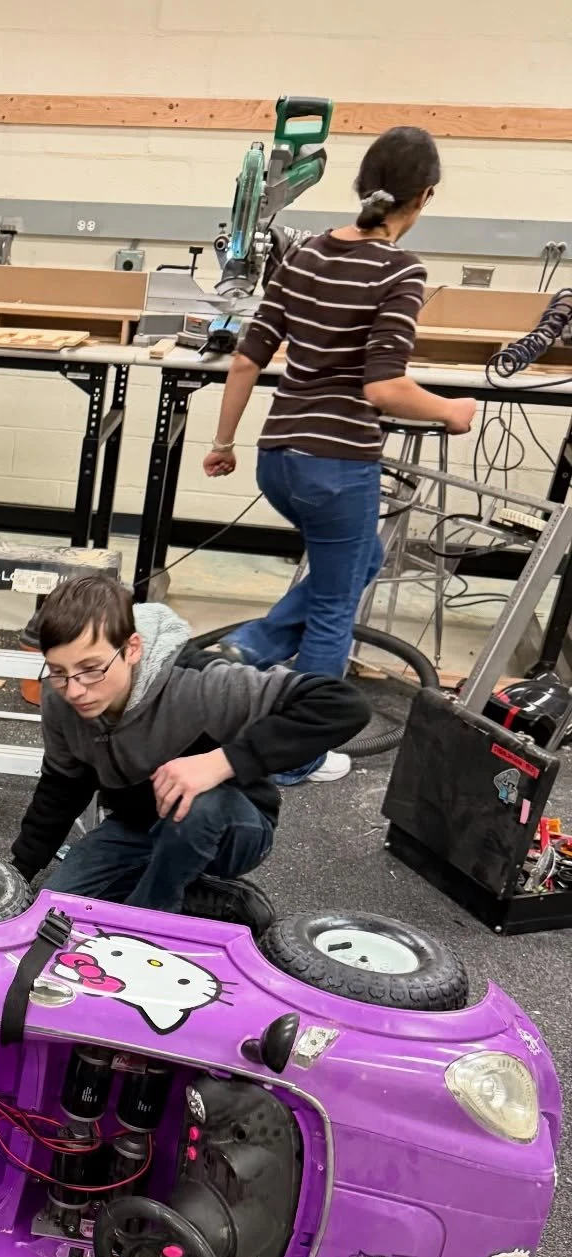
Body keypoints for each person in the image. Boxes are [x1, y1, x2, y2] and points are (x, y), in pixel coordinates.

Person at [203, 125, 476, 783]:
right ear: (425, 195)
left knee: (361, 560)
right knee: (333, 607)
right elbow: (382, 386)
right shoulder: (401, 270)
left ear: (362, 184)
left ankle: (255, 645)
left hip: (278, 460)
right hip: (336, 467)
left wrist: (222, 444)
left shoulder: (302, 256)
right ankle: (296, 754)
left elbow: (245, 358)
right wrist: (450, 411)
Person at [9, 571, 369, 918]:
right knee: (55, 907)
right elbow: (62, 788)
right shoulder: (60, 701)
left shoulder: (200, 684)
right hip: (136, 828)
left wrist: (219, 762)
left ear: (132, 648)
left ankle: (151, 916)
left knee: (195, 810)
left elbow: (342, 705)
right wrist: (17, 875)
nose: (75, 690)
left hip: (229, 825)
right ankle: (192, 895)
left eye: (91, 669)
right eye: (58, 672)